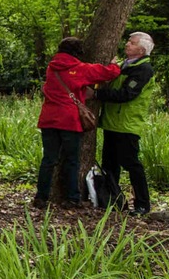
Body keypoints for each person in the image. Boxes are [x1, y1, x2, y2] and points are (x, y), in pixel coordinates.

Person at [32, 37, 120, 209]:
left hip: (49, 119)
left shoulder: (51, 67)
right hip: (69, 120)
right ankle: (72, 198)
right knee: (72, 160)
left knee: (49, 160)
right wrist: (115, 64)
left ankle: (41, 197)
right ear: (78, 52)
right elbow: (109, 73)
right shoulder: (79, 69)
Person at [96, 32, 155, 215]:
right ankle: (114, 201)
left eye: (132, 42)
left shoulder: (143, 69)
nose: (127, 44)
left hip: (127, 125)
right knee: (109, 165)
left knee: (131, 164)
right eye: (129, 41)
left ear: (142, 49)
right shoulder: (123, 65)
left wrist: (96, 95)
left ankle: (142, 205)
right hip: (112, 123)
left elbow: (126, 95)